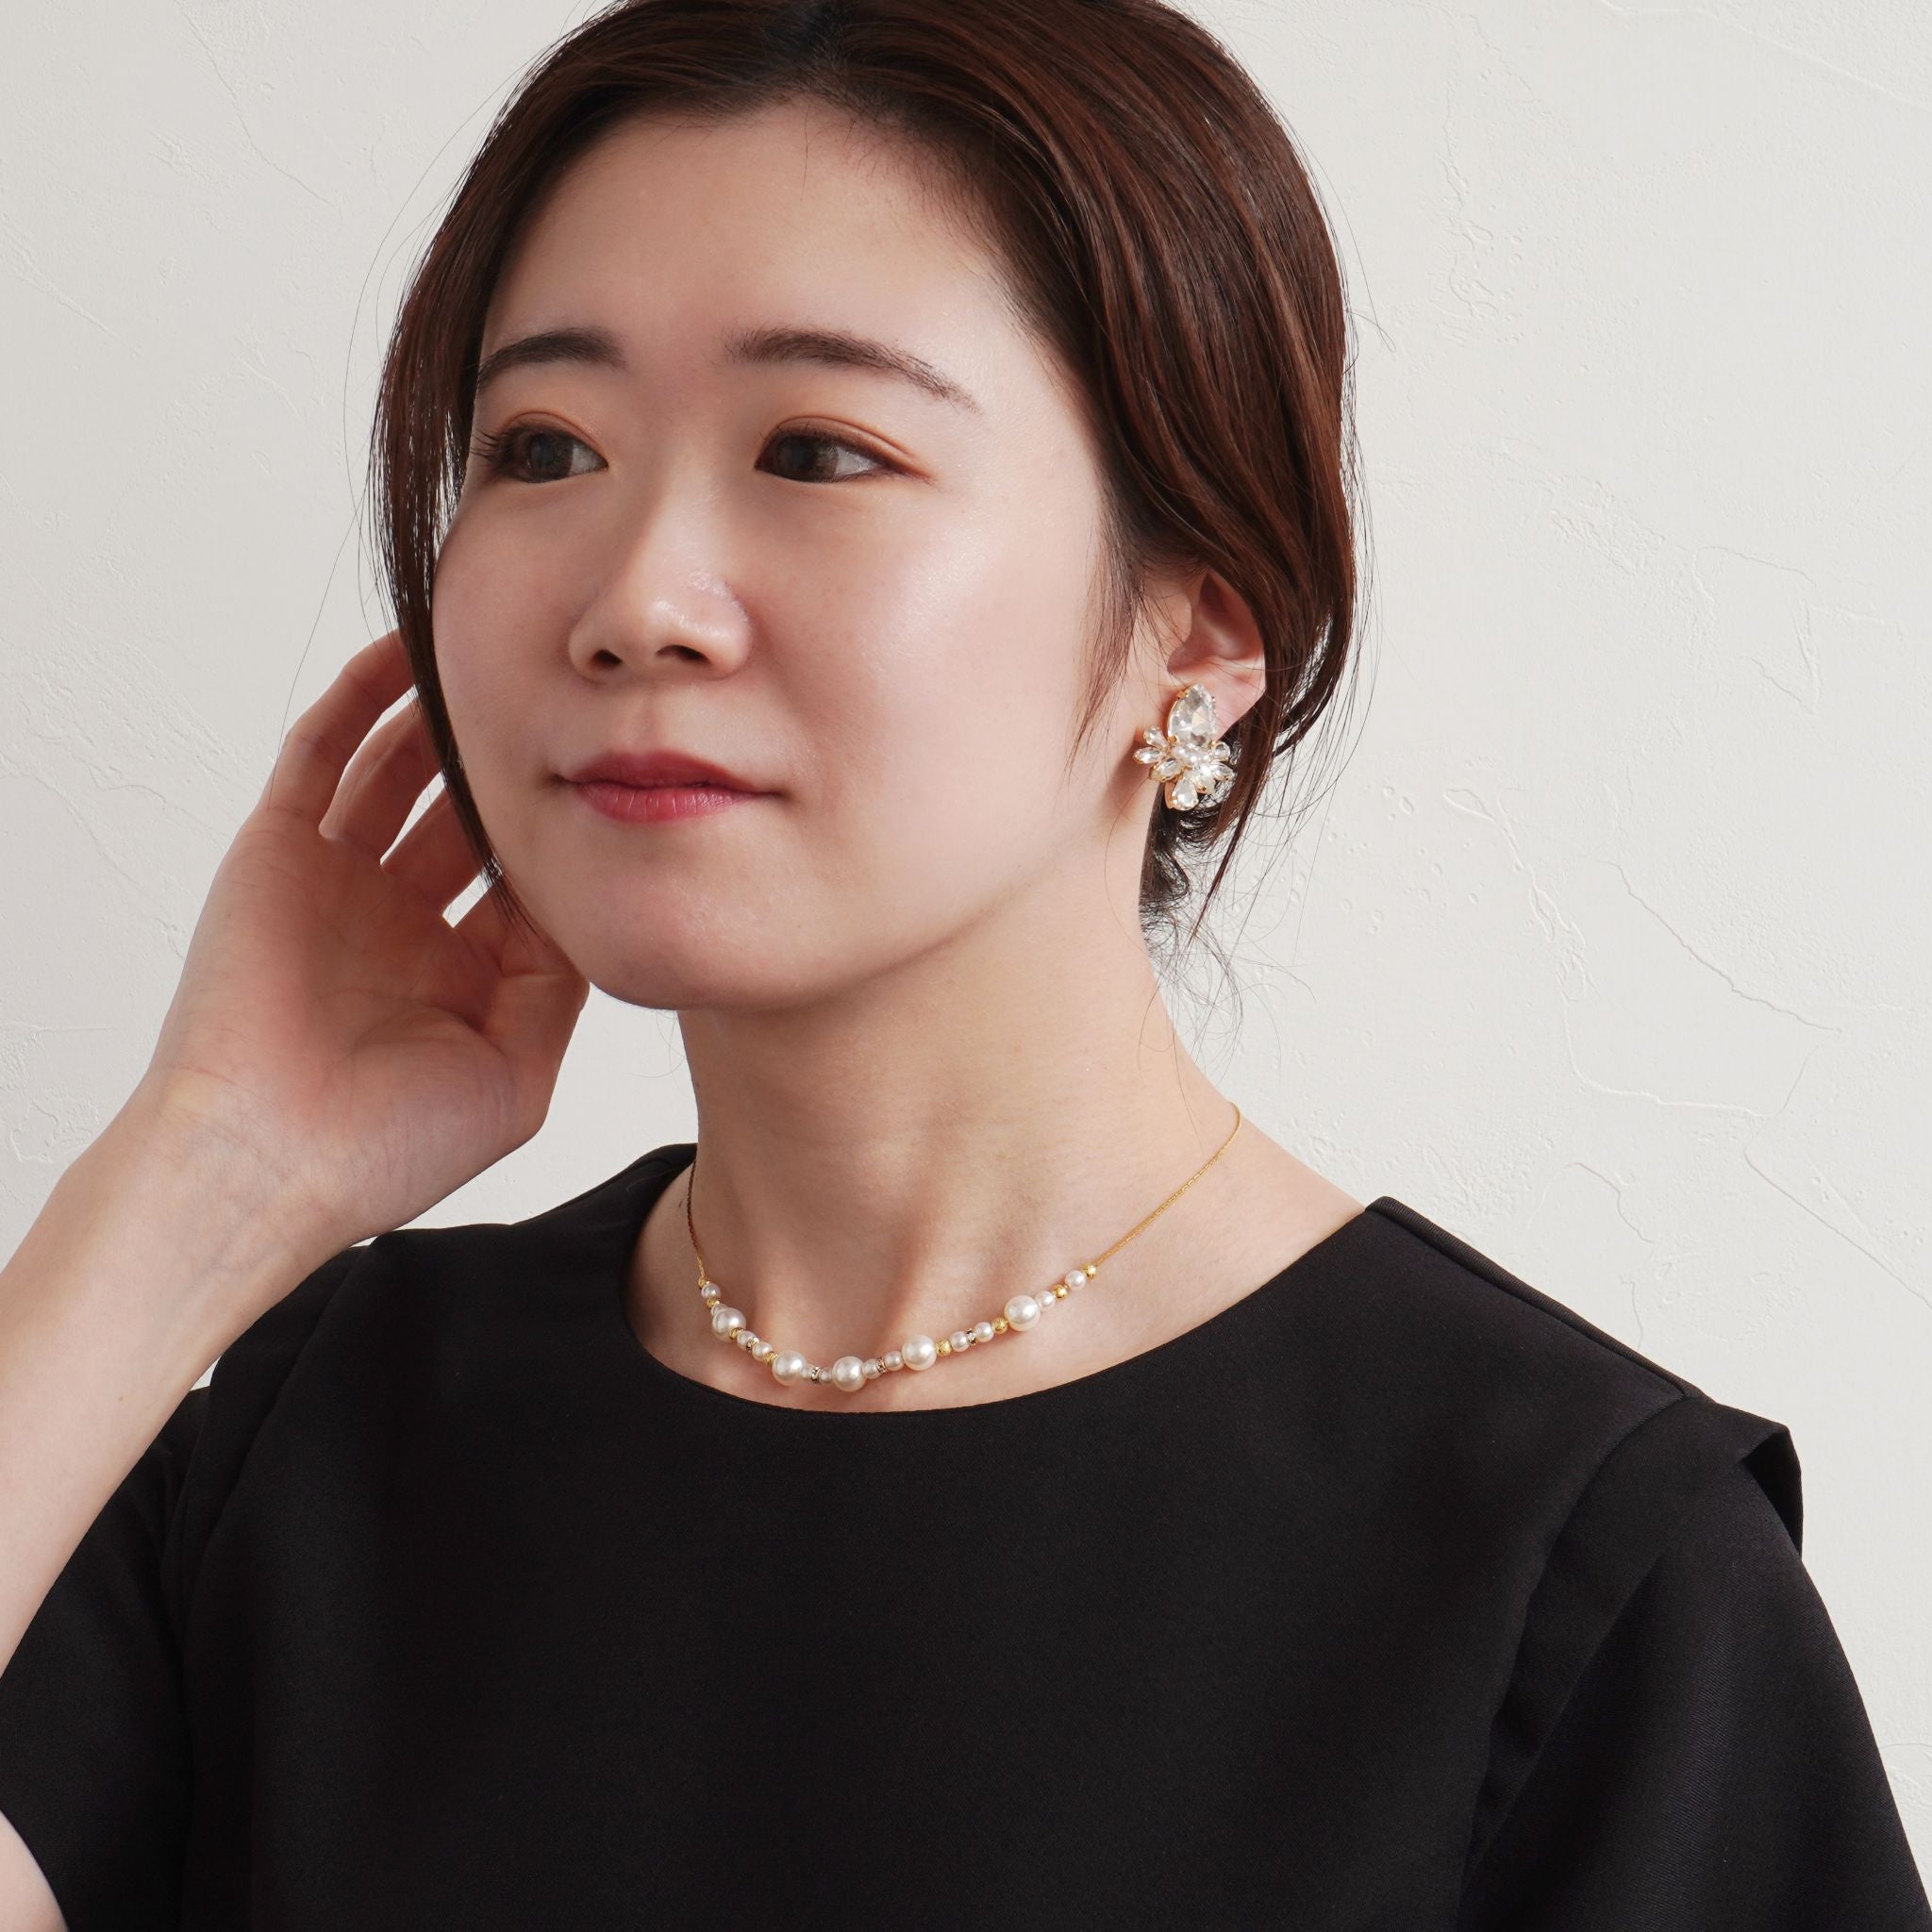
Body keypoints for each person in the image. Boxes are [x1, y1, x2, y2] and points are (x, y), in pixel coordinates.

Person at [1, 1, 1926, 1925]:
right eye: (544, 445)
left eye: (818, 450)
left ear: (1200, 633)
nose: (635, 598)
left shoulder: (1571, 1582)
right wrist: (200, 1178)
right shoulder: (310, 1446)